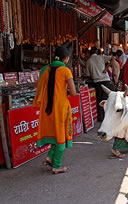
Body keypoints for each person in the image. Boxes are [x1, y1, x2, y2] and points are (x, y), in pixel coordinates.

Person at [33, 46, 77, 174]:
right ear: (66, 58)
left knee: (55, 134)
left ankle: (49, 157)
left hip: (47, 109)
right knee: (61, 136)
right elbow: (73, 92)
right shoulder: (65, 71)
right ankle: (57, 166)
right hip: (61, 108)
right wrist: (64, 91)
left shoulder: (44, 69)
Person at [86, 47, 114, 122]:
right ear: (96, 51)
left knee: (99, 100)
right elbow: (113, 58)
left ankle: (101, 118)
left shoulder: (88, 61)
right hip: (105, 80)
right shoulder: (101, 57)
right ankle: (106, 116)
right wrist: (106, 68)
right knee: (105, 100)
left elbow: (88, 75)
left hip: (97, 82)